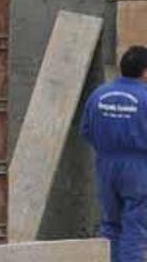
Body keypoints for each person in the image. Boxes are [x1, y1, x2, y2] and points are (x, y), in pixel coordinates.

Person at [80, 45, 147, 262]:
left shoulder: (99, 94)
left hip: (106, 165)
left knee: (111, 224)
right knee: (136, 227)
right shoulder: (145, 97)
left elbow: (86, 131)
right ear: (145, 71)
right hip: (139, 168)